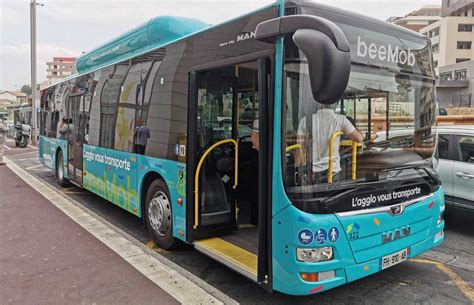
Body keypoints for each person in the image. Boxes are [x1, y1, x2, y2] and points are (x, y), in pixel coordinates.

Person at [297, 105, 363, 184]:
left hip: (312, 172)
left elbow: (299, 147)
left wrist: (301, 169)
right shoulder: (341, 119)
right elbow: (359, 138)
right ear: (334, 104)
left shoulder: (305, 121)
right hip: (333, 172)